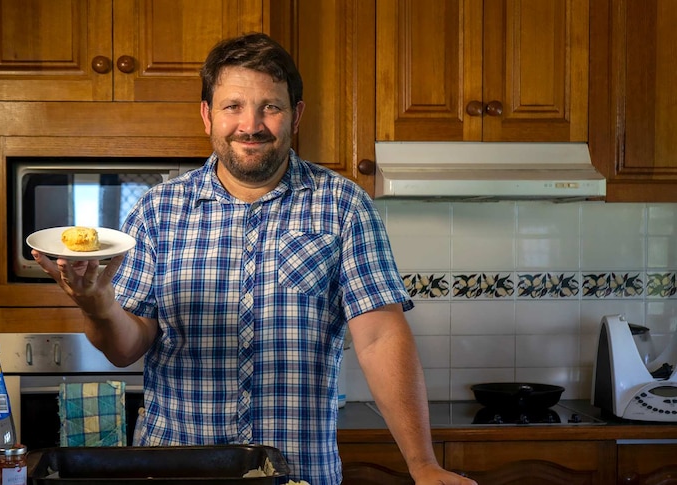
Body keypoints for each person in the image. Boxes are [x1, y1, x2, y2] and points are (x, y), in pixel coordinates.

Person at [32, 32, 475, 485]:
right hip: (176, 471)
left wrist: (423, 465)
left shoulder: (343, 205)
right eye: (233, 106)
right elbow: (127, 347)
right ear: (207, 115)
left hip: (300, 472)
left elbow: (380, 336)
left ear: (296, 115)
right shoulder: (157, 211)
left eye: (271, 106)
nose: (251, 124)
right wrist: (97, 304)